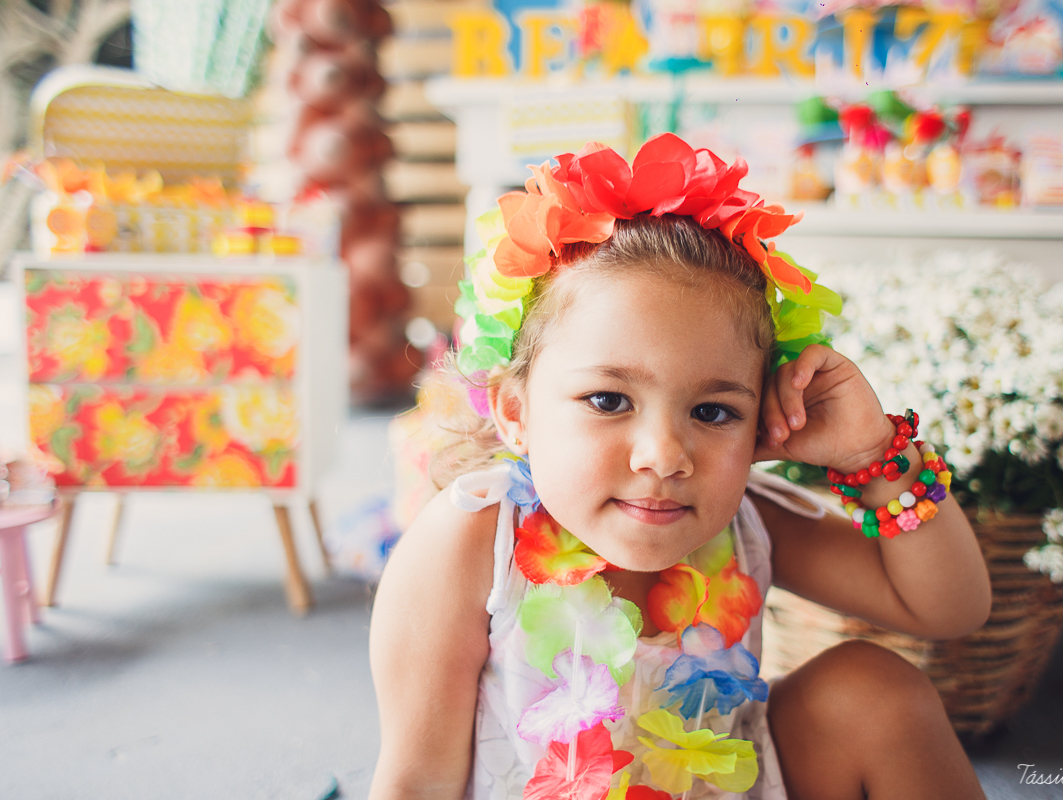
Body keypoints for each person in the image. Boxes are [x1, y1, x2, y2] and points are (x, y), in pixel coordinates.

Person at [368, 134, 992, 800]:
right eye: (609, 400)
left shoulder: (749, 520)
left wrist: (874, 457)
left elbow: (949, 608)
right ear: (516, 410)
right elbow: (417, 782)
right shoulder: (468, 542)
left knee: (878, 690)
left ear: (762, 421)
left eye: (714, 412)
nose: (665, 455)